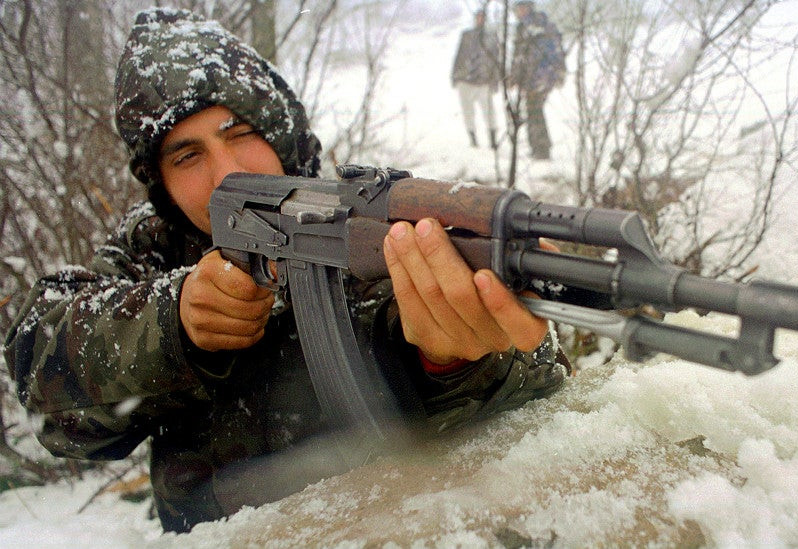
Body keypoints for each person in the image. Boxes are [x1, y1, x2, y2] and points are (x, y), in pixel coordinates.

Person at [3, 8, 568, 533]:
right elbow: (40, 367)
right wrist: (173, 324)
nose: (225, 172)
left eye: (239, 134)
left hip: (384, 529)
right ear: (162, 182)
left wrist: (453, 360)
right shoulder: (155, 245)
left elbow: (538, 383)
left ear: (279, 133)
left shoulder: (354, 222)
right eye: (187, 155)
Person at [509, 0, 565, 160]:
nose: (519, 11)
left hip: (540, 76)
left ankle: (542, 150)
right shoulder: (525, 27)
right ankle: (538, 148)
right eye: (517, 9)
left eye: (521, 8)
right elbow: (519, 56)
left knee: (535, 110)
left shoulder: (538, 25)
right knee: (533, 110)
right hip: (532, 77)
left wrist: (557, 72)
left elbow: (554, 50)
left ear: (528, 8)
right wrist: (514, 76)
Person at [451, 9, 501, 149]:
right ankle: (473, 139)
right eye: (478, 17)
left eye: (482, 17)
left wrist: (495, 80)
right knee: (468, 112)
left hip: (483, 81)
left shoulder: (492, 37)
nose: (480, 20)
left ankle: (493, 140)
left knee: (489, 111)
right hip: (465, 80)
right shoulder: (467, 35)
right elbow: (459, 56)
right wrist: (455, 75)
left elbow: (495, 60)